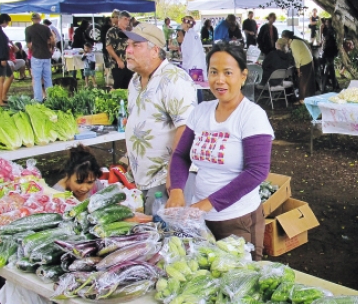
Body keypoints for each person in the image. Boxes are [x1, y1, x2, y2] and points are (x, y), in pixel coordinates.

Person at [166, 44, 274, 261]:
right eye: (213, 72)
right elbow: (180, 155)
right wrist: (177, 189)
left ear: (243, 76)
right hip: (199, 219)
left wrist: (208, 204)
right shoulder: (201, 111)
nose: (219, 80)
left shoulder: (251, 116)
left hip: (238, 220)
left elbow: (257, 171)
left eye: (228, 73)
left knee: (242, 282)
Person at [122, 23, 197, 214]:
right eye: (127, 45)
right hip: (143, 177)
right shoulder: (135, 81)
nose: (128, 50)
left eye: (136, 45)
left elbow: (186, 128)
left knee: (168, 236)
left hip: (166, 179)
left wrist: (175, 176)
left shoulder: (174, 79)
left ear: (155, 51)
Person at [26, 13, 54, 101]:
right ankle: (50, 98)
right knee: (48, 78)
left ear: (32, 19)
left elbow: (29, 44)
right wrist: (51, 48)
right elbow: (52, 39)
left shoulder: (28, 29)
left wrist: (33, 48)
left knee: (37, 79)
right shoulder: (46, 28)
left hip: (36, 55)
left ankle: (38, 99)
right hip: (46, 55)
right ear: (40, 19)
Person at [282, 30, 314, 104]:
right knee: (306, 81)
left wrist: (298, 70)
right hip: (308, 60)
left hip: (305, 62)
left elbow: (297, 59)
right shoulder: (295, 41)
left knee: (302, 82)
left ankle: (302, 100)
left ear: (286, 38)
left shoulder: (294, 43)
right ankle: (305, 98)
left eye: (283, 38)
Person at [106, 11, 133, 89]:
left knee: (129, 86)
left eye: (128, 20)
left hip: (129, 64)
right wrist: (118, 60)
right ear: (119, 19)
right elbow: (108, 47)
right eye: (125, 19)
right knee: (117, 87)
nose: (127, 22)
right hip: (117, 64)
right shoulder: (112, 31)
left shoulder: (129, 32)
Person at [101, 10, 119, 90]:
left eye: (113, 17)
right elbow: (108, 46)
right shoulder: (110, 30)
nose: (111, 19)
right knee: (111, 73)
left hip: (117, 58)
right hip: (113, 58)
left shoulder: (122, 29)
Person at [321, 18, 340, 92]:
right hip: (330, 51)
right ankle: (334, 85)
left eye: (327, 22)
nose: (326, 23)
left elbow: (326, 37)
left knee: (328, 69)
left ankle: (324, 87)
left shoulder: (331, 31)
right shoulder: (331, 30)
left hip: (329, 51)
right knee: (330, 69)